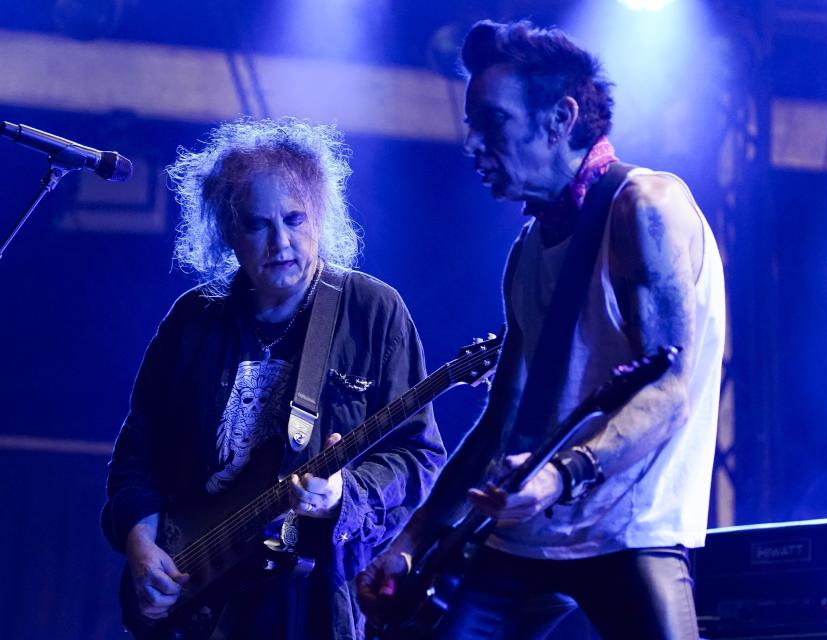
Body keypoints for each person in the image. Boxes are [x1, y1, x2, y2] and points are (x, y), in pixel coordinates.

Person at [358, 20, 725, 640]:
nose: (470, 142)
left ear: (561, 118)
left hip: (627, 530)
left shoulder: (647, 209)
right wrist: (411, 540)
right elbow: (501, 424)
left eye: (491, 121)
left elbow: (669, 393)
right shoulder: (528, 250)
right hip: (522, 538)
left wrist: (562, 474)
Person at [100, 118, 445, 640]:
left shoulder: (373, 311)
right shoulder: (193, 319)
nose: (279, 241)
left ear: (319, 216)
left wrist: (343, 494)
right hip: (196, 603)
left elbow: (419, 456)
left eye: (294, 218)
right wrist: (142, 546)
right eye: (257, 224)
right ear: (228, 231)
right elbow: (137, 457)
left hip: (310, 604)